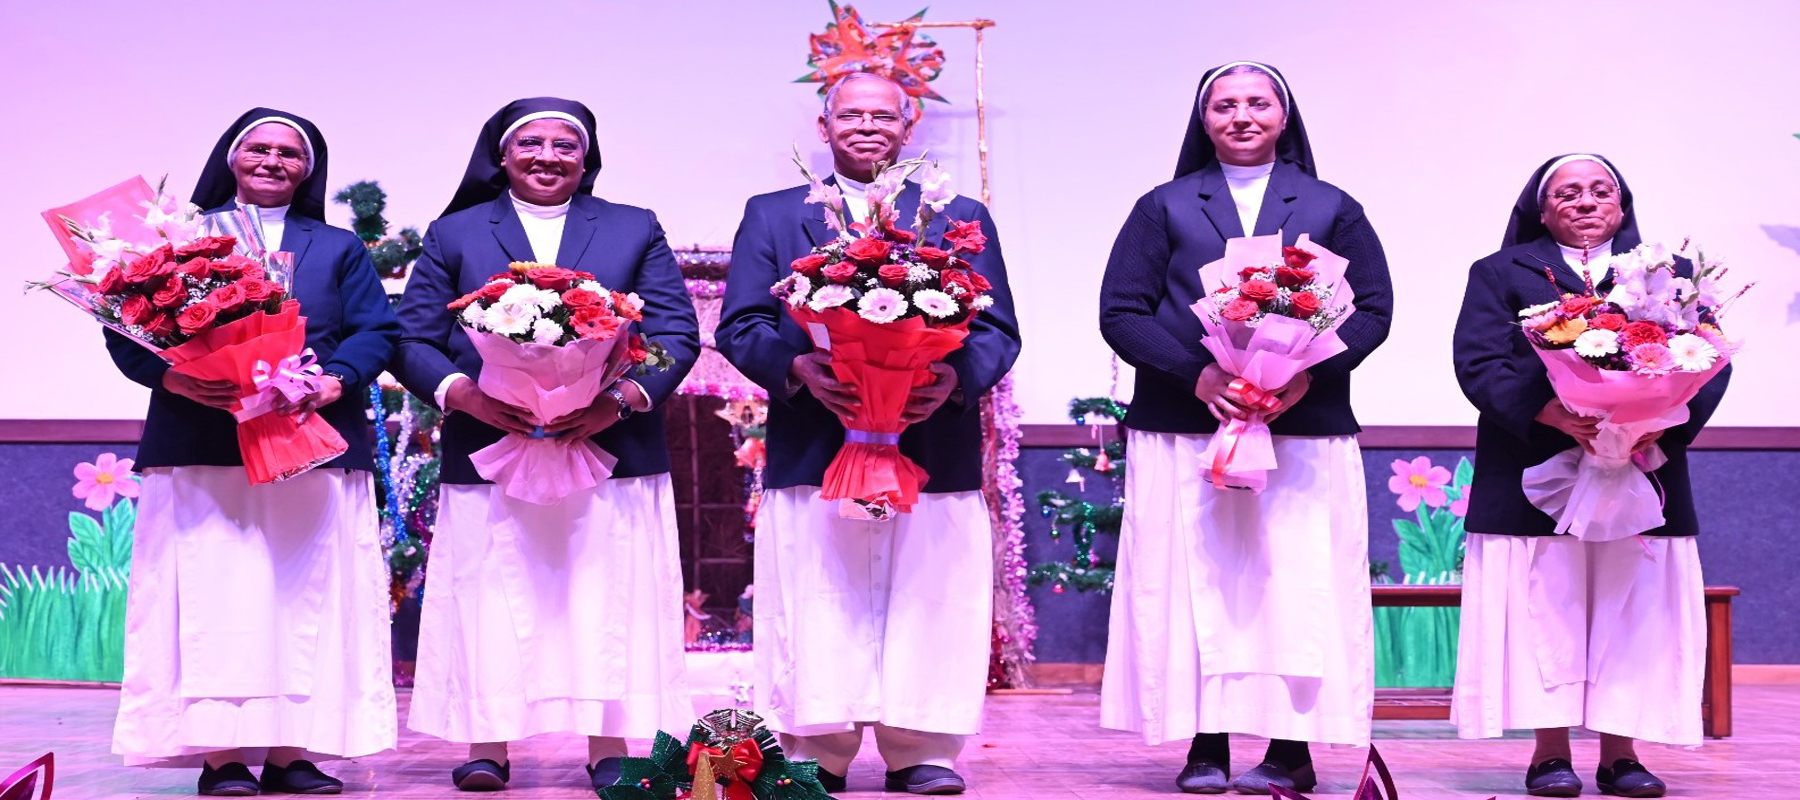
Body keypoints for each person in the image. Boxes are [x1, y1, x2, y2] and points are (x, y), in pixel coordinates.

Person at [715, 72, 1021, 796]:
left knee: (926, 594)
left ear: (908, 128)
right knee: (821, 594)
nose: (866, 127)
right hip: (817, 444)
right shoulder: (773, 214)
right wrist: (796, 367)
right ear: (824, 128)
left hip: (927, 443)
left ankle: (922, 749)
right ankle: (817, 748)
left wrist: (953, 379)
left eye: (883, 116)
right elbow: (742, 324)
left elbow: (998, 330)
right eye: (850, 115)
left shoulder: (958, 215)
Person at [1096, 62, 1394, 795]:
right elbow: (1122, 310)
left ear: (1283, 116)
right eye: (1224, 104)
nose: (1241, 116)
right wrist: (1196, 375)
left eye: (1257, 102)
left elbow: (1373, 309)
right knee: (1198, 585)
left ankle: (1291, 750)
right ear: (1204, 120)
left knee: (1296, 586)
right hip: (1186, 424)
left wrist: (1306, 375)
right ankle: (1207, 744)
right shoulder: (1163, 206)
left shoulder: (1331, 205)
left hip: (1303, 428)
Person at [391, 97, 700, 793]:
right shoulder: (456, 231)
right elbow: (411, 337)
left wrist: (614, 401)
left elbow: (675, 334)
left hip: (610, 446)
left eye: (566, 145)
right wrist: (469, 396)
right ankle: (486, 745)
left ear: (587, 159)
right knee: (490, 595)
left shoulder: (632, 227)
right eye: (531, 143)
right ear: (501, 155)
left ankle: (611, 744)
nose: (548, 157)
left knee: (607, 593)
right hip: (490, 444)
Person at [107, 108, 400, 796]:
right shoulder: (175, 238)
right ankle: (222, 758)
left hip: (311, 439)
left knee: (304, 600)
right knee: (217, 600)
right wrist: (173, 377)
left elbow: (376, 330)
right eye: (259, 148)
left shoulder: (338, 247)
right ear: (231, 158)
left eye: (290, 154)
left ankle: (292, 754)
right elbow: (124, 326)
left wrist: (334, 379)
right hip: (202, 442)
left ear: (308, 170)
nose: (273, 161)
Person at [1450, 153, 1731, 798]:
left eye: (1600, 191)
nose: (1585, 201)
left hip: (1643, 462)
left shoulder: (1669, 273)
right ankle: (1549, 753)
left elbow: (1710, 357)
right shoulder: (1499, 272)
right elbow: (1478, 361)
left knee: (1631, 606)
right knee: (1546, 608)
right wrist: (1546, 411)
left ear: (1621, 206)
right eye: (1567, 192)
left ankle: (1621, 755)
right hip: (1534, 465)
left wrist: (1661, 422)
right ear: (1541, 209)